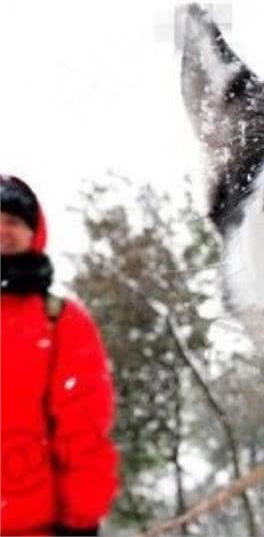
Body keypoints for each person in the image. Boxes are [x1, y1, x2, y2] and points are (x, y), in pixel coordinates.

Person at [0, 175, 118, 536]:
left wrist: (81, 520)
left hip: (34, 526)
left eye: (13, 221)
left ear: (34, 232)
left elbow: (84, 430)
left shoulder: (62, 320)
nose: (2, 230)